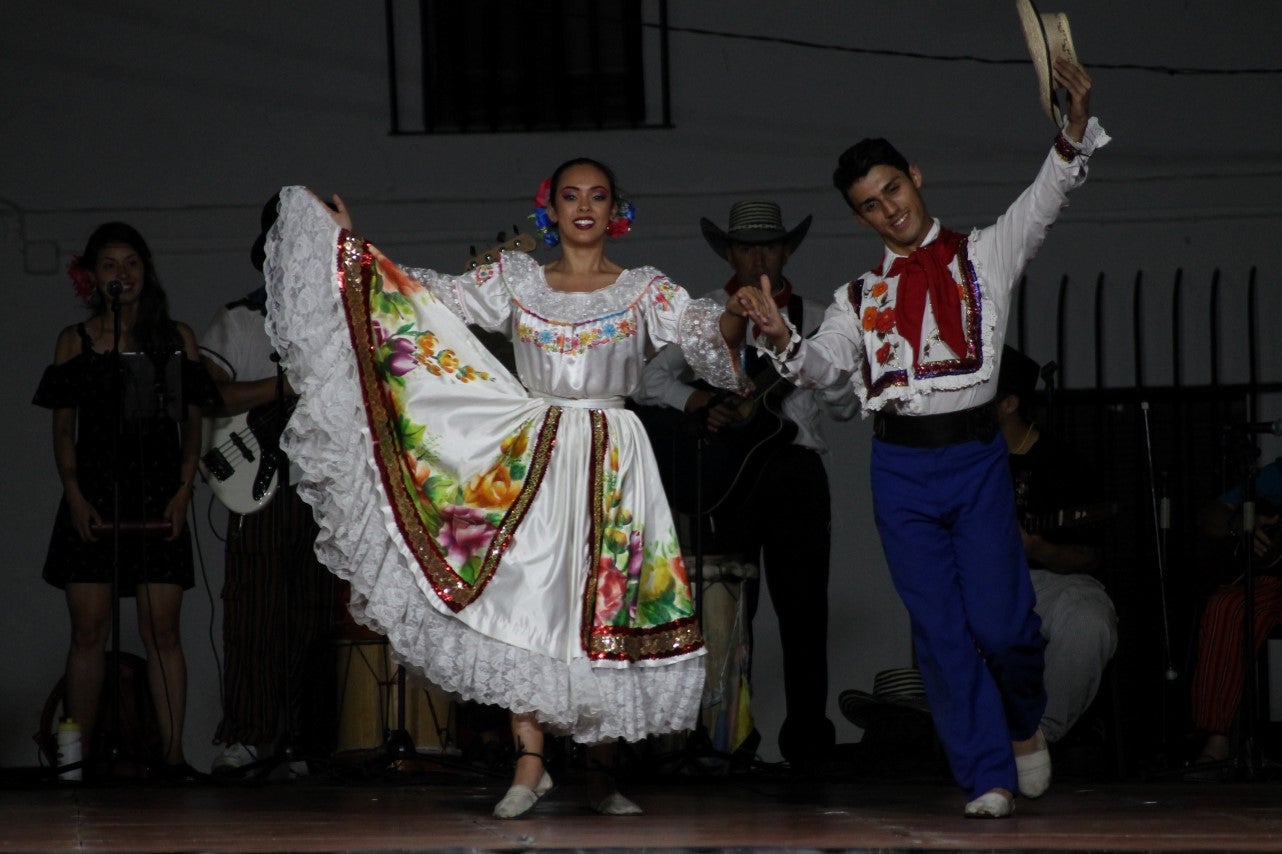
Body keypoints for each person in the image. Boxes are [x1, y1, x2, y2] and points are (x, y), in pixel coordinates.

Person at [261, 158, 752, 817]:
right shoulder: (518, 279)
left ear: (616, 212)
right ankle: (530, 762)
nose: (584, 206)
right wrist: (355, 250)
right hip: (535, 456)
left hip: (614, 457)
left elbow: (702, 332)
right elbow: (424, 302)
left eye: (598, 196)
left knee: (606, 606)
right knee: (527, 605)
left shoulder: (643, 289)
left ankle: (603, 771)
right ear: (548, 209)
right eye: (570, 195)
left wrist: (741, 312)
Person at [737, 57, 1108, 817]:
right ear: (860, 216)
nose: (889, 210)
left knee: (1004, 630)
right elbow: (820, 366)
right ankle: (986, 775)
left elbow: (1046, 198)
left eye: (893, 190)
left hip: (975, 460)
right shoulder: (855, 297)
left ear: (915, 176)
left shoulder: (985, 255)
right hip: (901, 470)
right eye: (870, 206)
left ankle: (1024, 723)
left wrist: (1072, 127)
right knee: (941, 633)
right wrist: (780, 335)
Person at [632, 200, 857, 771]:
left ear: (787, 251)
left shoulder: (816, 315)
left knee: (804, 614)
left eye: (769, 245)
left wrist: (824, 377)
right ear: (729, 253)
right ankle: (730, 741)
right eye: (746, 247)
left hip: (796, 475)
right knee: (728, 618)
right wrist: (699, 400)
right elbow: (651, 379)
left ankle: (808, 746)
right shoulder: (705, 312)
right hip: (728, 478)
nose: (758, 256)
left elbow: (848, 408)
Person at [34, 222, 219, 777]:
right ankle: (78, 761)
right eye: (111, 265)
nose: (123, 274)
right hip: (92, 493)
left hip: (159, 493)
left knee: (162, 628)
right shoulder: (75, 339)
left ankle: (172, 756)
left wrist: (184, 491)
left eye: (132, 263)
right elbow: (63, 430)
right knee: (89, 629)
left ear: (146, 271)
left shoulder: (175, 338)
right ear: (93, 275)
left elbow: (194, 425)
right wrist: (74, 495)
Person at [200, 195, 339, 776]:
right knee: (253, 613)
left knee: (314, 618)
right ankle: (247, 734)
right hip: (257, 487)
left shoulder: (339, 327)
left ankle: (302, 741)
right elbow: (212, 396)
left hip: (321, 486)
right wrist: (283, 388)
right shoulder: (237, 320)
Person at [996, 346, 1118, 750]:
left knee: (1090, 620)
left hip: (1049, 582)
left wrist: (1037, 548)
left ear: (1010, 403)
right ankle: (969, 736)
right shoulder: (963, 457)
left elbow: (1091, 555)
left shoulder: (1061, 461)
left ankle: (1037, 739)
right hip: (982, 583)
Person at [1187, 455, 1282, 775]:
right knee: (1226, 606)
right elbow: (1210, 515)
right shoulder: (1276, 475)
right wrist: (1242, 520)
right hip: (1273, 582)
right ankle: (1217, 743)